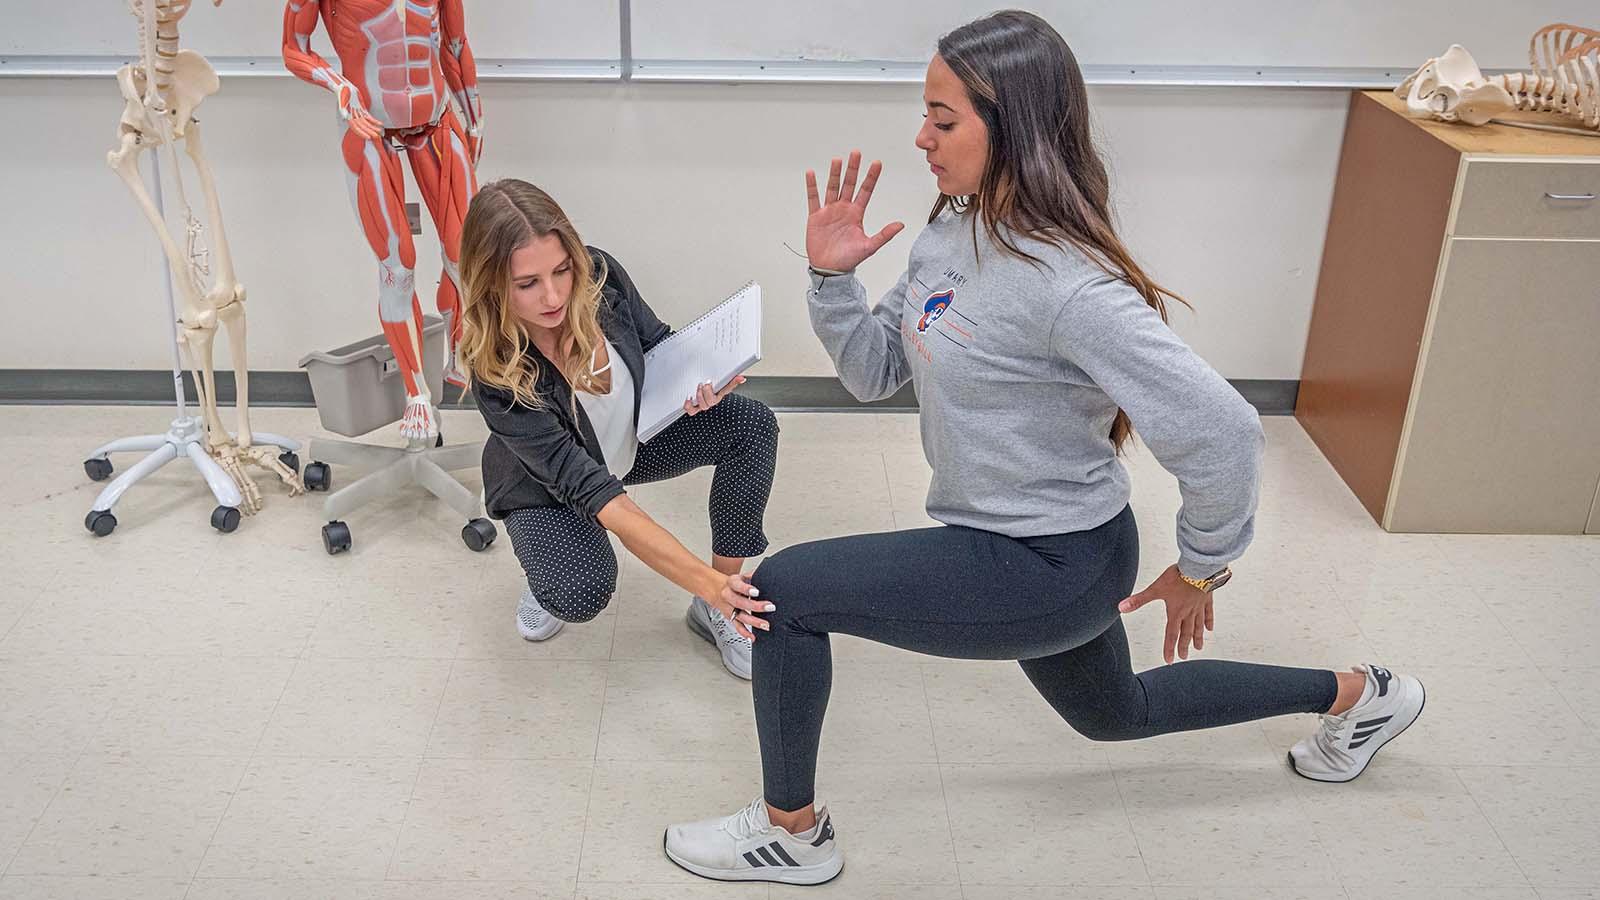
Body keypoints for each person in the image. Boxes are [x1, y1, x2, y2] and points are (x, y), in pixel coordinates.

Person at [662, 10, 1425, 885]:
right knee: (1118, 714)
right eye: (925, 114)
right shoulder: (953, 231)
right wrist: (833, 280)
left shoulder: (1069, 285)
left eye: (943, 121)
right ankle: (1361, 696)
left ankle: (789, 833)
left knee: (785, 591)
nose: (921, 137)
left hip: (1047, 563)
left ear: (1014, 125)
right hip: (1048, 548)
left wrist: (1203, 564)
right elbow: (874, 372)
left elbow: (1222, 428)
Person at [457, 179, 780, 680]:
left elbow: (655, 343)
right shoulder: (496, 371)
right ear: (492, 285)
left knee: (750, 424)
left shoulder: (600, 276)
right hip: (548, 486)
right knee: (578, 588)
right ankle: (545, 574)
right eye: (527, 284)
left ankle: (721, 600)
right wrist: (699, 580)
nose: (553, 295)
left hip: (631, 439)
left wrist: (702, 380)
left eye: (561, 270)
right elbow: (604, 499)